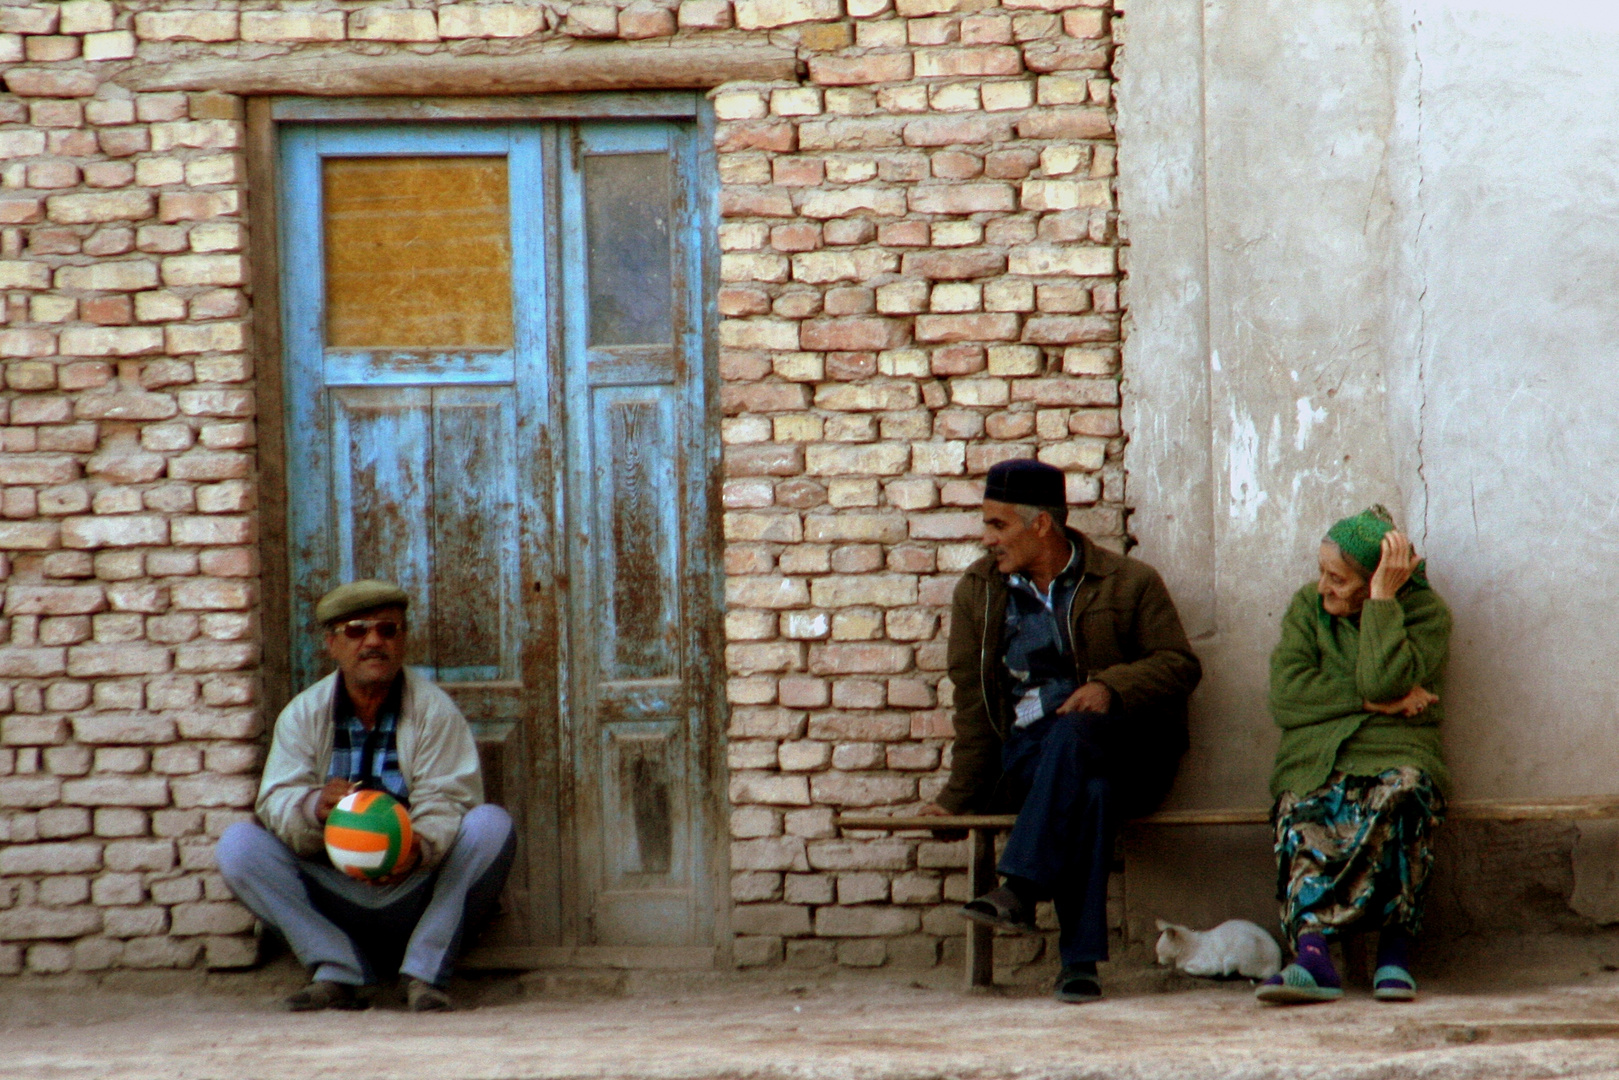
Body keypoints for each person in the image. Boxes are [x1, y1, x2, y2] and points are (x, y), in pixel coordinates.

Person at [918, 459, 1202, 1002]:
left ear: (1040, 524)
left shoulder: (1127, 582)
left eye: (997, 525)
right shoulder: (978, 593)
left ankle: (1021, 886)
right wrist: (958, 799)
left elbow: (1180, 665)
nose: (987, 539)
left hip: (1129, 755)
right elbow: (975, 705)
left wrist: (1112, 688)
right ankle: (1079, 965)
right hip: (1031, 763)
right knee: (1084, 788)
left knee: (1076, 736)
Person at [217, 580, 515, 1012]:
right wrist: (313, 807)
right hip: (334, 891)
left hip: (415, 890)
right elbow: (276, 799)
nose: (374, 642)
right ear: (332, 644)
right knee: (238, 847)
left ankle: (424, 973)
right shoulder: (303, 714)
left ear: (403, 640)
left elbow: (450, 799)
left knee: (490, 825)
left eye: (387, 630)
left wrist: (416, 849)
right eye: (357, 631)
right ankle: (339, 969)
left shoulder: (433, 711)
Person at [1255, 506, 1450, 1005]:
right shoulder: (1307, 608)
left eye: (1338, 579)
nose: (1323, 588)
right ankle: (1315, 956)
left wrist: (1383, 603)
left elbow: (1383, 676)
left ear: (1374, 580)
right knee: (1303, 808)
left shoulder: (1425, 616)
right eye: (1321, 573)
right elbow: (1286, 695)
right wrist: (1372, 703)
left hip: (1397, 751)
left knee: (1405, 795)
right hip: (1315, 756)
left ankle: (1395, 951)